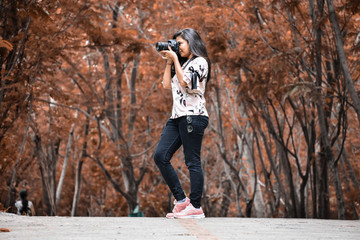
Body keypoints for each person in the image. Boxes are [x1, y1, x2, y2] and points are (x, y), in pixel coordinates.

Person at [154, 28, 211, 219]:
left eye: (180, 44)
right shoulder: (182, 64)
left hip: (193, 116)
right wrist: (170, 62)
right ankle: (181, 200)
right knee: (160, 155)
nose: (177, 47)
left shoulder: (200, 62)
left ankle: (195, 206)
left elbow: (186, 83)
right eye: (175, 44)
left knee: (192, 161)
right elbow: (165, 84)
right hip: (177, 117)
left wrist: (176, 61)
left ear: (191, 42)